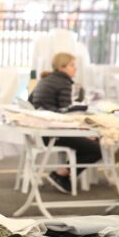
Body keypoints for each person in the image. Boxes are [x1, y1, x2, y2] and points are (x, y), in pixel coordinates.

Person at [28, 52, 101, 194]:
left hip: (40, 132)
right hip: (54, 133)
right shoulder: (63, 83)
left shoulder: (45, 79)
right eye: (72, 65)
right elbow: (65, 114)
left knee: (93, 142)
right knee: (98, 147)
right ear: (62, 67)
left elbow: (31, 102)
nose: (75, 69)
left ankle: (63, 173)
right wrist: (83, 128)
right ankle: (61, 174)